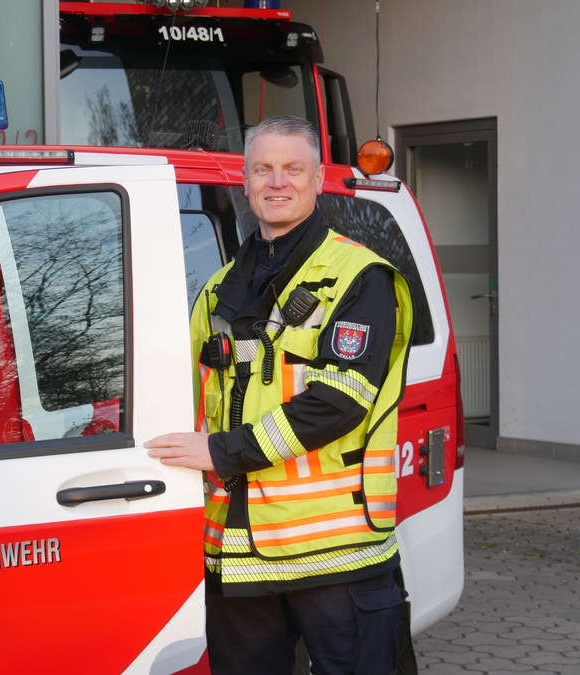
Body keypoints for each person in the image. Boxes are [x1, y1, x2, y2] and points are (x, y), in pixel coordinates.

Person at [145, 115, 415, 675]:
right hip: (239, 555)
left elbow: (338, 401)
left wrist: (221, 453)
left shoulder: (359, 276)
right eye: (263, 169)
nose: (277, 181)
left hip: (336, 553)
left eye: (293, 168)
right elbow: (185, 391)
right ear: (244, 182)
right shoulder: (219, 288)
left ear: (318, 179)